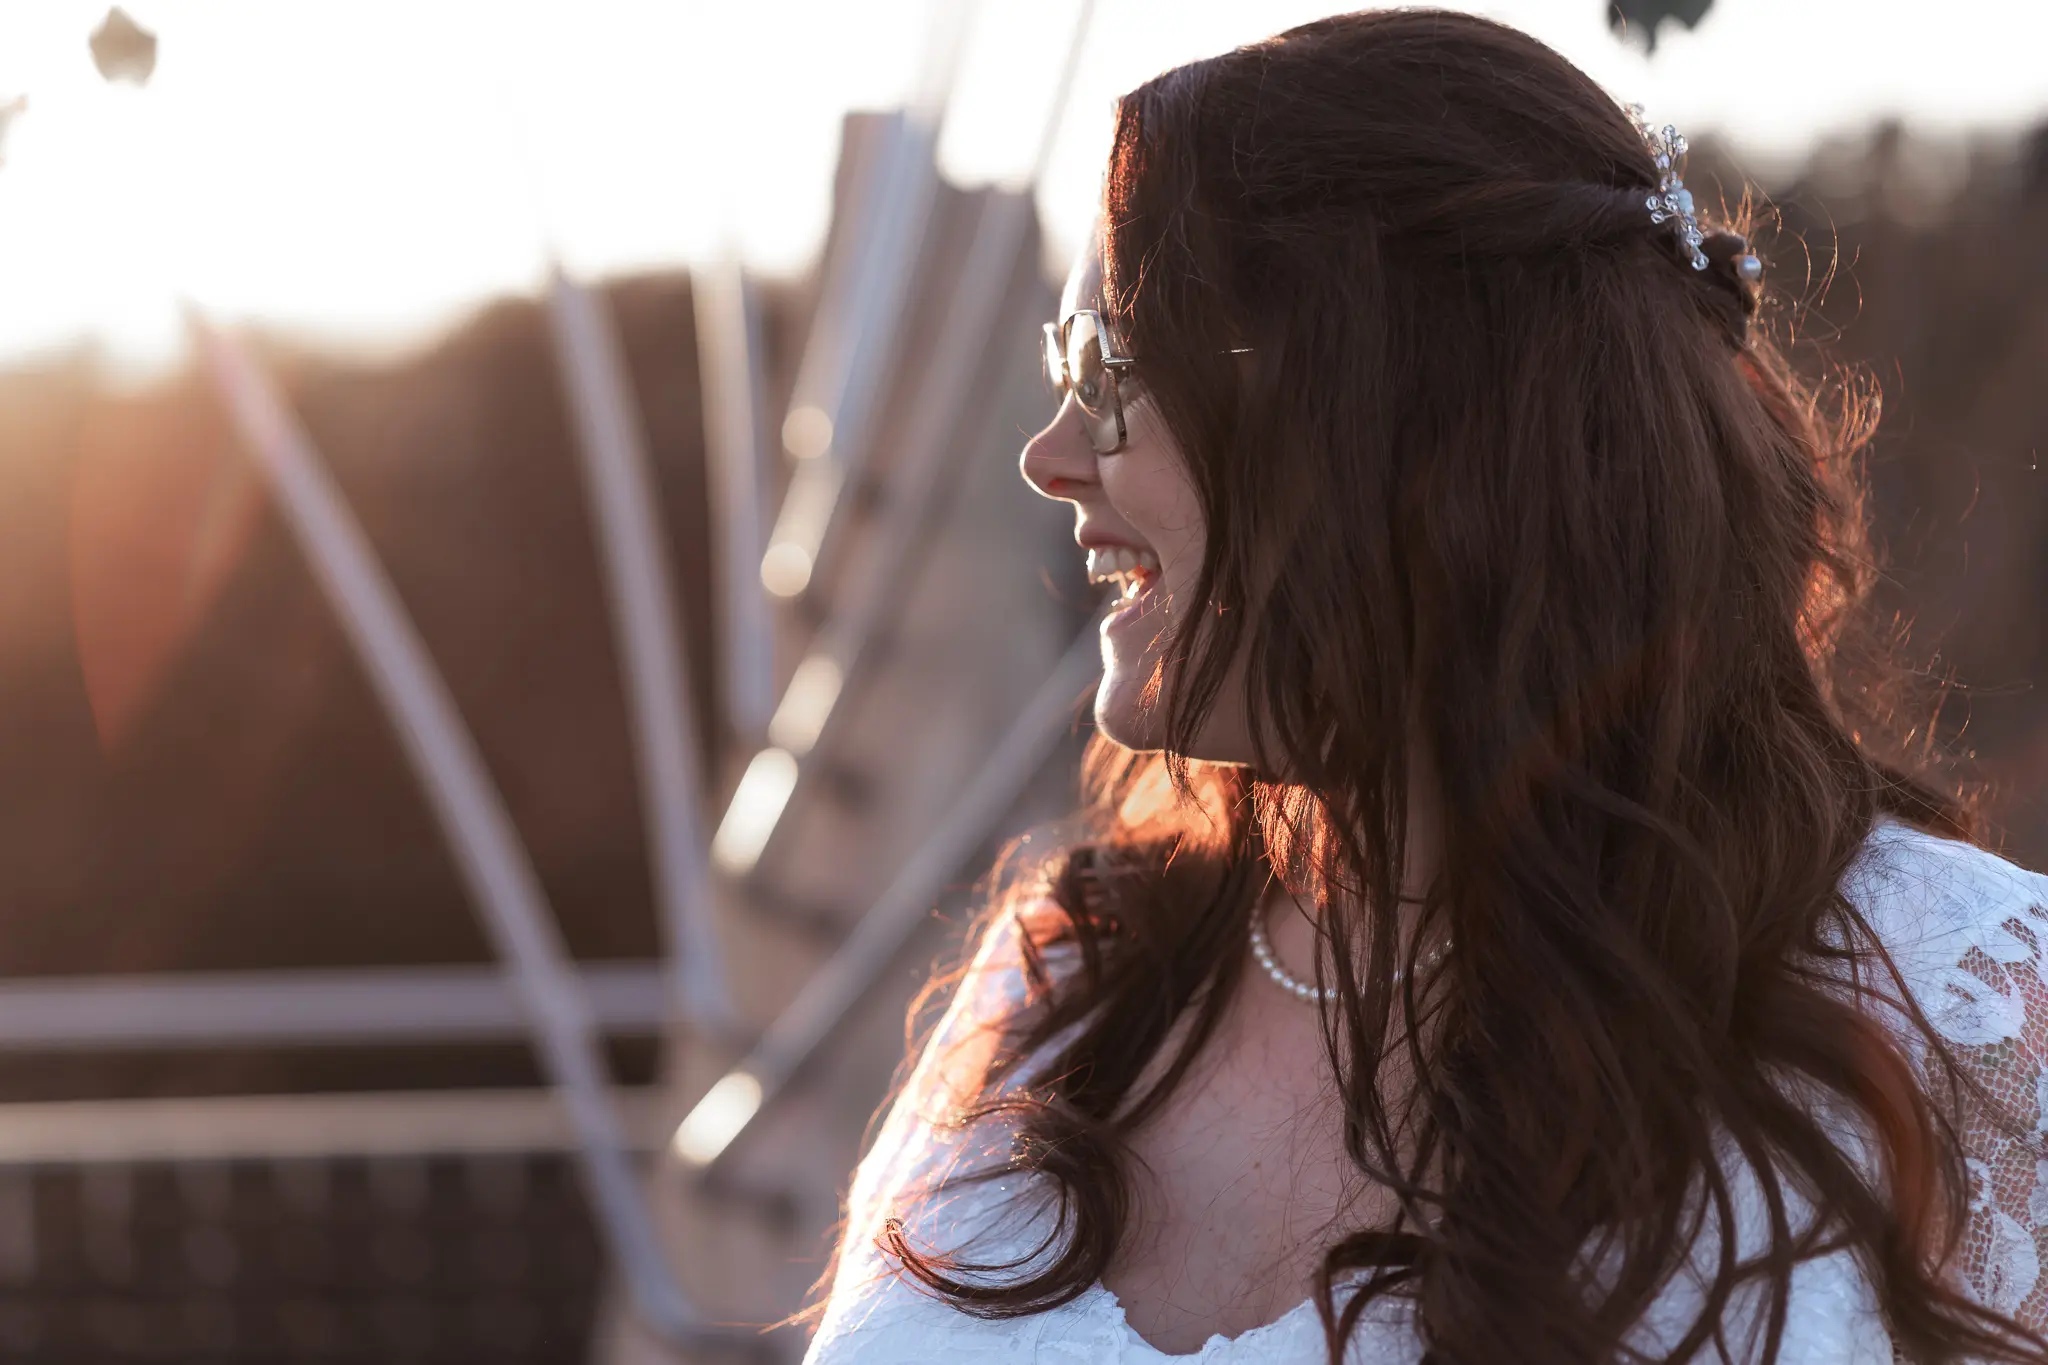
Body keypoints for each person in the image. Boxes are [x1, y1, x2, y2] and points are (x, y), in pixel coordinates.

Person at [803, 10, 2048, 1363]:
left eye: (1111, 368)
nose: (1048, 455)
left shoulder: (1966, 1007)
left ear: (1394, 418)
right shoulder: (1065, 985)